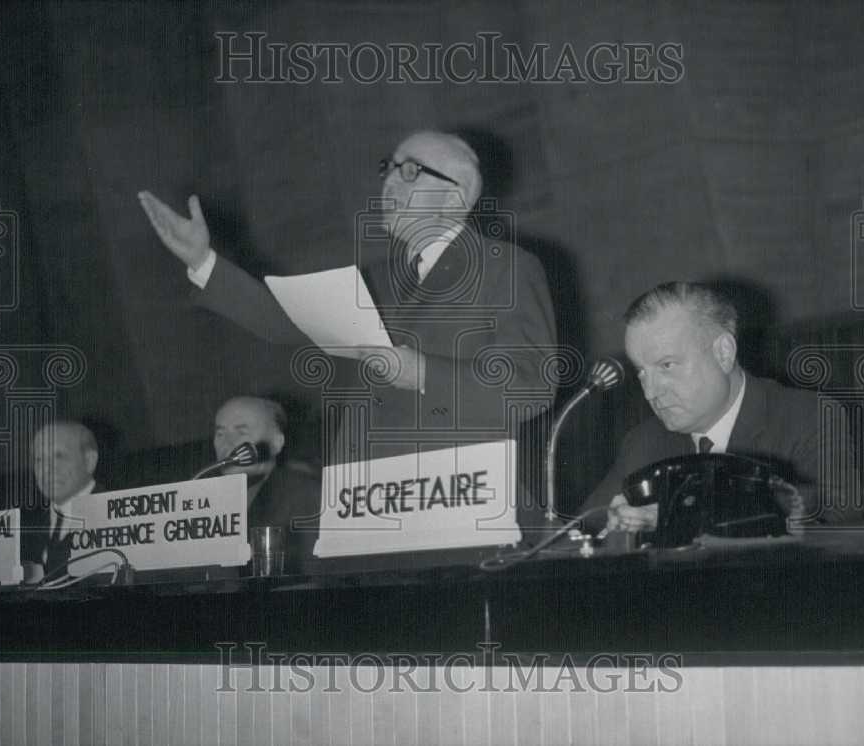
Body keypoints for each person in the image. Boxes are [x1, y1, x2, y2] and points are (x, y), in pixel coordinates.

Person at [138, 130, 557, 519]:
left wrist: (423, 373)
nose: (390, 183)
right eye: (388, 169)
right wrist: (202, 262)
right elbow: (285, 321)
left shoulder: (508, 267)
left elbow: (530, 388)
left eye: (410, 171)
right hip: (363, 505)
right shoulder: (377, 278)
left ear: (456, 196)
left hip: (457, 503)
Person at [581, 281, 863, 534]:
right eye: (642, 372)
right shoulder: (643, 441)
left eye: (667, 365)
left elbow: (838, 516)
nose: (651, 392)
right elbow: (576, 528)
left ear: (724, 353)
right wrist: (614, 524)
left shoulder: (807, 416)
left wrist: (679, 517)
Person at [211, 396, 321, 572]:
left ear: (276, 443)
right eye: (220, 433)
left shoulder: (304, 494)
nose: (227, 443)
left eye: (241, 432)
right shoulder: (207, 499)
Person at [28, 421, 104, 576]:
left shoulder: (116, 515)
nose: (47, 469)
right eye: (39, 459)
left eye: (59, 456)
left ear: (90, 461)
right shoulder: (24, 525)